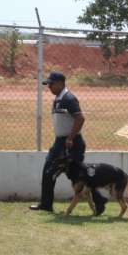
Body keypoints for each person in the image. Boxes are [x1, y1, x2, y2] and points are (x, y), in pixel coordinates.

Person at [30, 72, 107, 214]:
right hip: (60, 142)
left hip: (72, 143)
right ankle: (46, 204)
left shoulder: (69, 99)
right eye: (48, 85)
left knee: (78, 176)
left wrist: (70, 138)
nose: (49, 87)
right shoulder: (58, 99)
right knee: (49, 171)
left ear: (60, 83)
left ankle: (99, 200)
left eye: (51, 84)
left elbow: (80, 118)